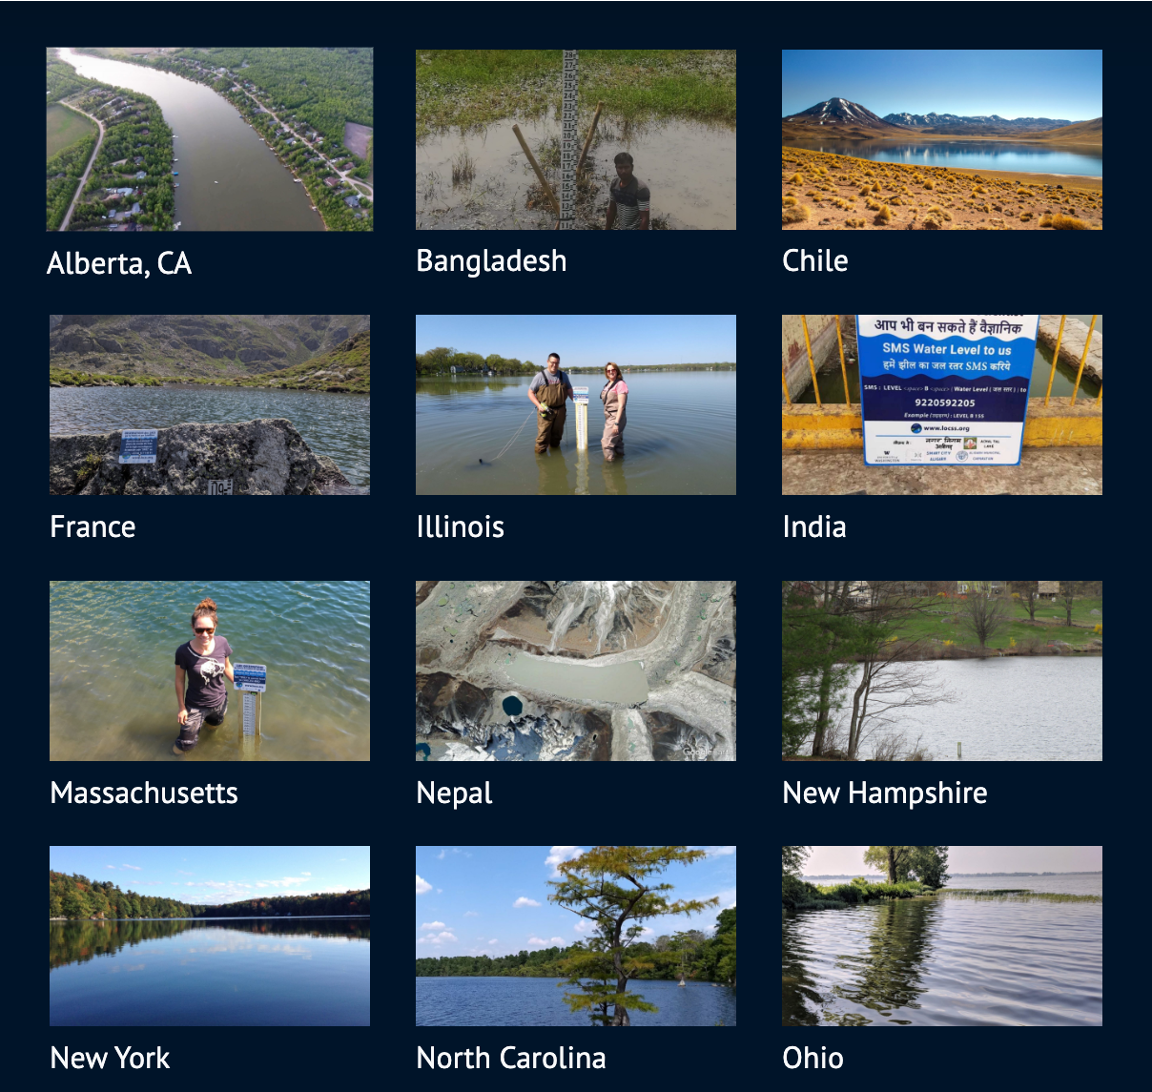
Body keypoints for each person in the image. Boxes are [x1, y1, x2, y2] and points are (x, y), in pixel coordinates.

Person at [173, 596, 234, 755]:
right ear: (192, 628)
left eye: (209, 630)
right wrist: (181, 708)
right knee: (183, 746)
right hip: (195, 706)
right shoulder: (183, 652)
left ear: (215, 627)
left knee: (213, 727)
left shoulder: (222, 643)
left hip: (220, 702)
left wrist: (242, 684)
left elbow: (227, 667)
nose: (204, 634)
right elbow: (179, 681)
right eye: (199, 630)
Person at [528, 352, 574, 453]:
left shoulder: (563, 375)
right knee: (542, 437)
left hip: (560, 411)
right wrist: (538, 405)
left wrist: (576, 400)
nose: (554, 365)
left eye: (557, 363)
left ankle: (554, 458)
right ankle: (541, 459)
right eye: (552, 362)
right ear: (547, 362)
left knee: (557, 436)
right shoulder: (540, 376)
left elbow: (569, 390)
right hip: (545, 411)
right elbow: (530, 393)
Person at [606, 152, 650, 230]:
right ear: (616, 168)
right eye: (620, 168)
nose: (623, 171)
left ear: (632, 167)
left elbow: (645, 219)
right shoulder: (614, 184)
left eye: (626, 167)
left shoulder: (641, 189)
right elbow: (612, 210)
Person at [600, 362, 629, 459]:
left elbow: (621, 406)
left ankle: (610, 468)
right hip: (609, 416)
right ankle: (620, 460)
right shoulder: (608, 384)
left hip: (616, 417)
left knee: (606, 443)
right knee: (617, 442)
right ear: (606, 372)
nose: (611, 372)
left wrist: (616, 423)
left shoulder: (620, 384)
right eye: (608, 370)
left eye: (613, 370)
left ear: (617, 371)